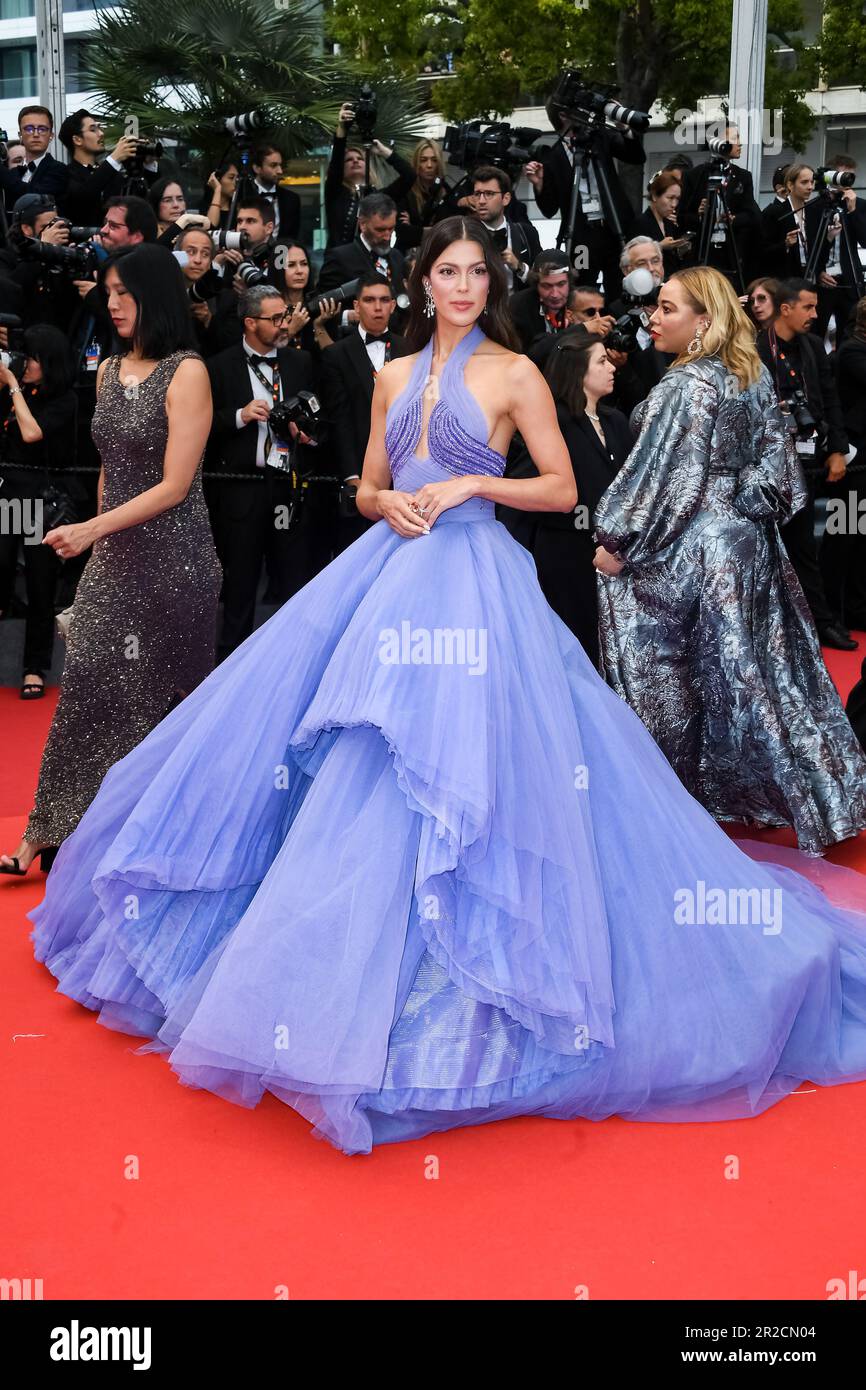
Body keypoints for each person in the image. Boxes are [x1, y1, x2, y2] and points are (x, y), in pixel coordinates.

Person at [21, 219, 866, 1160]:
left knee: (464, 771)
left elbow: (555, 487)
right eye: (447, 271)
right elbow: (367, 486)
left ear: (489, 282)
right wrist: (388, 503)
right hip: (389, 574)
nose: (462, 285)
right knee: (356, 761)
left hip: (476, 586)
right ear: (423, 281)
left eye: (476, 271)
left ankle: (476, 989)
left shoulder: (514, 372)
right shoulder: (389, 375)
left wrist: (469, 490)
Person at [593, 265, 866, 854]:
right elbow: (781, 471)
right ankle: (810, 794)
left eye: (668, 309)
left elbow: (666, 479)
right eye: (657, 307)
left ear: (704, 321)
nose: (654, 318)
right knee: (759, 671)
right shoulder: (750, 376)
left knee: (685, 670)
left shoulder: (684, 386)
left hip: (695, 543)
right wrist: (742, 504)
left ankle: (679, 797)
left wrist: (617, 540)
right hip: (747, 543)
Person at [0, 245, 221, 877]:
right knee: (89, 692)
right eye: (108, 291)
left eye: (123, 291)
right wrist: (96, 546)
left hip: (176, 563)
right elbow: (110, 471)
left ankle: (154, 840)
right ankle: (47, 831)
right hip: (114, 557)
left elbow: (175, 485)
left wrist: (92, 528)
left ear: (154, 295)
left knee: (157, 705)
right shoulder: (107, 371)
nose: (113, 303)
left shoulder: (188, 373)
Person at [204, 284, 316, 661]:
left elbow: (323, 422)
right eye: (276, 318)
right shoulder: (218, 366)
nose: (285, 323)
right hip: (241, 488)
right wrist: (240, 416)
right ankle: (229, 670)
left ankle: (293, 664)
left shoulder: (301, 362)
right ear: (250, 323)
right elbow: (200, 426)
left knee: (293, 582)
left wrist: (308, 435)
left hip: (289, 487)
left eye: (286, 314)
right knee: (239, 585)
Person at [508, 330, 631, 665]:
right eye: (602, 361)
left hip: (616, 557)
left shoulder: (616, 421)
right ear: (578, 370)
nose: (612, 368)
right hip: (564, 556)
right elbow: (520, 491)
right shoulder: (552, 424)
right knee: (575, 651)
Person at [756, 278, 855, 650]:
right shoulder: (754, 349)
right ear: (786, 309)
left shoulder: (813, 347)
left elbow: (830, 400)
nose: (815, 315)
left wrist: (837, 450)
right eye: (809, 307)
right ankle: (775, 628)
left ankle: (819, 622)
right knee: (771, 549)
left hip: (811, 461)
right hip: (766, 467)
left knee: (807, 546)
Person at [0, 325, 77, 699]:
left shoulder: (63, 399)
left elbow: (31, 433)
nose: (24, 364)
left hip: (36, 503)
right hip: (6, 498)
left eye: (30, 358)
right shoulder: (12, 392)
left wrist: (13, 386)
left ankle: (35, 668)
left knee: (39, 586)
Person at [325, 102, 416, 249]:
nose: (355, 160)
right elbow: (335, 164)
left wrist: (384, 152)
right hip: (339, 264)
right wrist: (342, 129)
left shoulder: (380, 197)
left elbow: (409, 175)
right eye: (348, 160)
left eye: (360, 158)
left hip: (370, 264)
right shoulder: (335, 193)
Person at [632, 170, 693, 279]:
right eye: (670, 198)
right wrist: (659, 246)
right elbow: (633, 256)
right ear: (655, 196)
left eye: (677, 199)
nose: (674, 204)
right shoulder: (640, 223)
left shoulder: (670, 224)